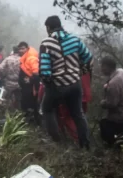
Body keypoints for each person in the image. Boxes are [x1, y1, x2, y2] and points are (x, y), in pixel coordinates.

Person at [39, 15, 93, 149]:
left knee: (47, 109)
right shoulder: (75, 40)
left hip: (57, 85)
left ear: (49, 28)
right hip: (75, 84)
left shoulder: (47, 43)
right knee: (78, 113)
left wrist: (49, 85)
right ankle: (85, 144)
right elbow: (88, 58)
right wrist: (79, 72)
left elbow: (45, 71)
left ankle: (56, 141)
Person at [17, 41, 40, 123]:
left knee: (32, 104)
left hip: (31, 87)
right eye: (19, 49)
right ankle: (28, 120)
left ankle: (34, 121)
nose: (20, 50)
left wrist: (32, 82)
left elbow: (36, 73)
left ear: (27, 48)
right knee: (26, 103)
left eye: (22, 48)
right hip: (25, 87)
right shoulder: (24, 58)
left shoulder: (31, 58)